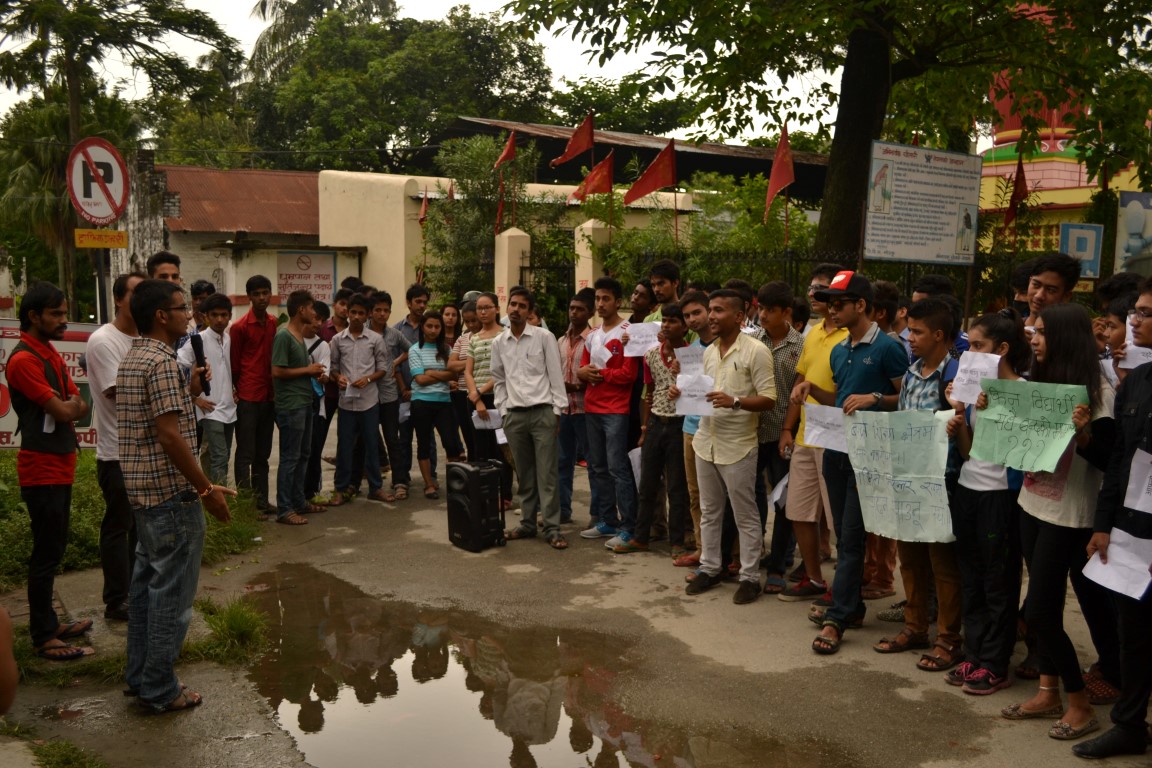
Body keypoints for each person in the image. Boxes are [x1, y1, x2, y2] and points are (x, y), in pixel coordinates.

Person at [1001, 302, 1116, 742]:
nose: (1034, 338)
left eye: (1043, 332)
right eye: (1035, 331)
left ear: (1065, 338)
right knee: (1041, 607)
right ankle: (1048, 692)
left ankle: (1079, 705)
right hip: (1032, 503)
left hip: (1070, 516)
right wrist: (991, 408)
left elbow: (1111, 461)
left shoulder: (1099, 393)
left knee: (1040, 612)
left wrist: (1083, 435)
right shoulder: (1041, 382)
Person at [119, 278, 235, 712]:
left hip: (144, 493)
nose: (190, 314)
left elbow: (157, 420)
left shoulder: (135, 357)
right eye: (182, 308)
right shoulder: (163, 362)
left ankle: (141, 677)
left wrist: (189, 394)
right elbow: (169, 436)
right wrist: (205, 488)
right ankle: (160, 688)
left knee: (146, 590)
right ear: (160, 316)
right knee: (172, 596)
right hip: (170, 496)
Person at [793, 271, 908, 654]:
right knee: (845, 535)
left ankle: (837, 618)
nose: (831, 310)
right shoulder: (840, 349)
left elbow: (909, 399)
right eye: (829, 303)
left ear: (861, 305)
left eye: (839, 303)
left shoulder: (889, 348)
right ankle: (852, 605)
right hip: (836, 450)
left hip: (870, 456)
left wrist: (875, 398)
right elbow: (841, 400)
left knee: (854, 537)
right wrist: (812, 389)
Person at [1076, 279, 1152, 759]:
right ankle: (1129, 724)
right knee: (1134, 633)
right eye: (1135, 312)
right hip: (1132, 530)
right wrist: (1104, 525)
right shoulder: (1138, 381)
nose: (1135, 321)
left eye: (1145, 313)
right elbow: (1120, 458)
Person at [871, 298, 964, 673]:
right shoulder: (911, 373)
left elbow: (962, 432)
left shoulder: (955, 375)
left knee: (943, 564)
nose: (909, 337)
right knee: (909, 559)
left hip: (940, 483)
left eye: (917, 332)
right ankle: (915, 627)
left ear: (939, 335)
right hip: (906, 479)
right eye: (909, 330)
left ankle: (948, 638)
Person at [945, 308, 1032, 695]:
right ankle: (974, 654)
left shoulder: (1025, 391)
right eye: (970, 346)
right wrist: (959, 419)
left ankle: (996, 662)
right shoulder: (973, 390)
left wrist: (997, 410)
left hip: (1002, 497)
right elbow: (970, 453)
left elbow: (1023, 456)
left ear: (1003, 349)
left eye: (979, 346)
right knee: (972, 576)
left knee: (999, 579)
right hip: (969, 489)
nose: (971, 353)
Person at [7, 281, 93, 660]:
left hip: (60, 464)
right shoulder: (24, 360)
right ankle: (43, 635)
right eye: (56, 314)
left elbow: (80, 402)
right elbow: (63, 410)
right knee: (45, 553)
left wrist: (69, 405)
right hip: (41, 469)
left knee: (54, 548)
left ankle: (50, 622)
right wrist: (67, 406)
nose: (63, 320)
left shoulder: (49, 353)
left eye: (64, 313)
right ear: (33, 316)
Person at [678, 289, 776, 604]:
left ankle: (749, 577)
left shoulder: (756, 351)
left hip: (738, 445)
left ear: (739, 316)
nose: (711, 316)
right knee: (709, 511)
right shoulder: (708, 352)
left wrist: (735, 401)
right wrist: (681, 395)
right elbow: (702, 395)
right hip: (706, 441)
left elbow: (769, 399)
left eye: (718, 310)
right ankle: (710, 568)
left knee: (744, 513)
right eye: (710, 309)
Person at [777, 264, 847, 602]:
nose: (814, 294)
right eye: (812, 287)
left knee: (839, 520)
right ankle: (815, 579)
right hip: (806, 435)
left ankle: (845, 588)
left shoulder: (851, 335)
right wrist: (787, 428)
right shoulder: (814, 333)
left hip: (838, 437)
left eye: (822, 288)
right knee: (798, 511)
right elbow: (800, 382)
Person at [86, 271, 146, 622]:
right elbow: (119, 393)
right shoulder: (103, 340)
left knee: (140, 528)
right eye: (135, 293)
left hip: (144, 451)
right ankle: (116, 600)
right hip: (117, 453)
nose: (140, 299)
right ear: (118, 299)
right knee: (118, 526)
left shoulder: (144, 338)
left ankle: (136, 591)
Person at [493, 287, 569, 549]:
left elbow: (555, 375)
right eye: (513, 304)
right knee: (524, 474)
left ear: (530, 311)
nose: (516, 309)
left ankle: (552, 528)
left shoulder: (544, 337)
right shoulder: (499, 342)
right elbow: (499, 379)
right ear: (507, 308)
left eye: (522, 306)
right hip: (514, 416)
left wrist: (557, 411)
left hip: (542, 412)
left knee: (547, 474)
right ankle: (526, 524)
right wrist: (504, 411)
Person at [615, 302, 690, 555]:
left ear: (685, 327)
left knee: (677, 488)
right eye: (665, 321)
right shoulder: (650, 355)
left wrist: (684, 374)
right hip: (656, 423)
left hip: (680, 425)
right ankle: (641, 537)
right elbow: (650, 393)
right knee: (647, 485)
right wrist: (645, 428)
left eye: (673, 321)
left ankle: (677, 542)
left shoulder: (692, 356)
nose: (667, 325)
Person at [579, 277, 639, 546]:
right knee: (597, 467)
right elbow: (583, 369)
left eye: (606, 299)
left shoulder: (628, 333)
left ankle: (628, 527)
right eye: (597, 299)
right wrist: (583, 373)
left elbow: (629, 374)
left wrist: (600, 374)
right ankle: (607, 521)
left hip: (616, 409)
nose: (601, 304)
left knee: (617, 468)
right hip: (591, 407)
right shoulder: (592, 335)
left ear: (618, 301)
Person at [754, 282, 805, 595]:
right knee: (751, 495)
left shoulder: (801, 345)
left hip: (783, 434)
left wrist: (788, 429)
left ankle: (777, 567)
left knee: (784, 502)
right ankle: (753, 554)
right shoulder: (751, 339)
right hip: (752, 432)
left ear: (786, 312)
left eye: (770, 310)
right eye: (760, 308)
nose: (763, 315)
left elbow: (798, 394)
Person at [327, 295, 394, 505]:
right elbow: (333, 368)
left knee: (372, 445)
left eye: (361, 313)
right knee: (344, 447)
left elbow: (383, 369)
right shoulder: (337, 340)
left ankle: (376, 487)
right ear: (347, 313)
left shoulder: (375, 339)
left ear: (367, 316)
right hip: (346, 403)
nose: (356, 317)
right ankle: (340, 489)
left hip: (369, 402)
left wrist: (368, 379)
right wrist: (338, 378)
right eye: (353, 312)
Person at [271, 290, 327, 524]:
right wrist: (308, 370)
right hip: (290, 405)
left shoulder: (299, 334)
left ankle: (299, 501)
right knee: (290, 457)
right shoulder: (284, 335)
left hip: (304, 403)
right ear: (301, 309)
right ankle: (285, 509)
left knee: (304, 454)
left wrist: (313, 373)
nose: (314, 313)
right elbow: (277, 371)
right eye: (312, 308)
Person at [674, 290, 717, 568]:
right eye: (687, 315)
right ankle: (703, 550)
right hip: (691, 427)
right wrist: (676, 389)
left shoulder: (725, 346)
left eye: (696, 313)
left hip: (719, 429)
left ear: (709, 311)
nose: (691, 319)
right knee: (695, 495)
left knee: (721, 498)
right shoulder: (689, 352)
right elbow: (685, 390)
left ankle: (731, 555)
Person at [176, 292, 236, 485]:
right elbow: (177, 366)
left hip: (229, 407)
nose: (219, 319)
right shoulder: (198, 340)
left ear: (229, 316)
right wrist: (194, 398)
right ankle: (221, 498)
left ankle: (209, 493)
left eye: (224, 315)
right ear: (206, 316)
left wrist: (234, 390)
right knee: (220, 455)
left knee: (220, 455)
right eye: (214, 315)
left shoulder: (229, 339)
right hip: (209, 408)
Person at [231, 274, 278, 514]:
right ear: (249, 296)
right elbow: (234, 365)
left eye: (265, 293)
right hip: (248, 397)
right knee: (245, 453)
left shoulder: (274, 323)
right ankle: (246, 506)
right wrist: (238, 391)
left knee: (263, 454)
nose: (261, 298)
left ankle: (262, 501)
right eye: (256, 294)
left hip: (269, 397)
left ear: (270, 294)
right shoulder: (239, 327)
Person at [408, 310, 466, 499]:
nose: (433, 330)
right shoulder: (415, 349)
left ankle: (455, 484)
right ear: (422, 327)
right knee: (424, 444)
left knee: (451, 443)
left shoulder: (447, 350)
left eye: (436, 326)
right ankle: (429, 484)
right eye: (429, 326)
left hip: (444, 402)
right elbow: (420, 380)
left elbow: (454, 374)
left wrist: (431, 372)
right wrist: (442, 375)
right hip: (421, 402)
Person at [467, 292, 514, 504]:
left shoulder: (505, 335)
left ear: (497, 309)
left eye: (487, 307)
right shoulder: (474, 338)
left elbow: (503, 370)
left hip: (499, 397)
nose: (483, 312)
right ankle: (485, 494)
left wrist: (480, 391)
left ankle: (505, 495)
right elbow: (468, 371)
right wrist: (476, 398)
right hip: (476, 400)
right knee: (481, 449)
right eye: (479, 308)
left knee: (502, 448)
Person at [368, 292, 411, 497]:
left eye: (386, 310)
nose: (382, 314)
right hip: (366, 394)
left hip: (389, 394)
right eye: (378, 310)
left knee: (393, 439)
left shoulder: (394, 334)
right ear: (371, 312)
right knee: (365, 440)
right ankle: (365, 483)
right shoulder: (362, 332)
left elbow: (412, 350)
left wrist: (396, 362)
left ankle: (400, 481)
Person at [558, 289, 594, 526]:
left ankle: (598, 514)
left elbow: (597, 375)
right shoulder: (560, 340)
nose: (574, 313)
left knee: (593, 464)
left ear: (590, 313)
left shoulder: (594, 339)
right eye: (572, 308)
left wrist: (576, 386)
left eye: (580, 309)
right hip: (563, 410)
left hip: (586, 410)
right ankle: (562, 510)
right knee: (562, 462)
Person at [396, 284, 433, 487]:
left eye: (425, 302)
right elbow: (394, 364)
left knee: (427, 438)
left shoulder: (431, 327)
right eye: (418, 301)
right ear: (408, 303)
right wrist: (404, 389)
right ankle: (402, 478)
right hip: (404, 393)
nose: (421, 306)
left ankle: (431, 476)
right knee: (404, 438)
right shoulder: (397, 329)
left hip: (427, 393)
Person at [303, 301, 333, 502]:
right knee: (296, 454)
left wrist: (322, 377)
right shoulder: (290, 339)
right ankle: (295, 495)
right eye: (316, 318)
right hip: (294, 406)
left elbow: (325, 375)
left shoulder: (322, 346)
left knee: (314, 452)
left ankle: (311, 493)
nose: (318, 324)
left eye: (322, 320)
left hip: (316, 407)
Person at [1025, 253, 1080, 320]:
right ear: (1029, 281)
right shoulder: (1014, 325)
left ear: (1066, 296)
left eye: (1050, 290)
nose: (1039, 296)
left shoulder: (1074, 327)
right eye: (1036, 285)